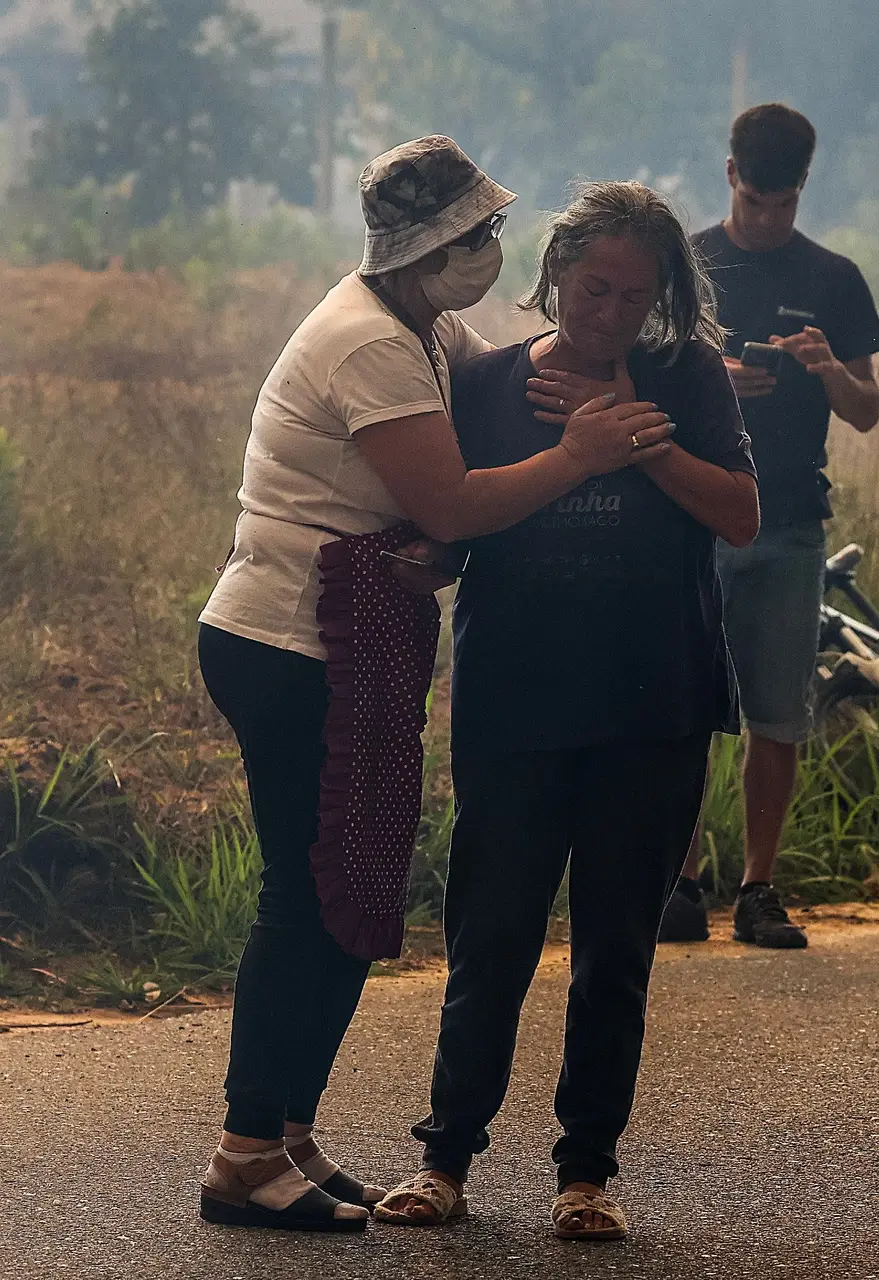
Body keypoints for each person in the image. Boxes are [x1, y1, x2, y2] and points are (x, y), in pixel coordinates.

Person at [192, 136, 662, 1234]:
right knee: (303, 896)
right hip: (289, 641)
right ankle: (244, 1150)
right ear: (426, 245)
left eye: (494, 231)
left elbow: (462, 451)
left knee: (349, 888)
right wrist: (580, 456)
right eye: (474, 235)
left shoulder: (423, 327)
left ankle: (289, 1133)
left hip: (341, 634)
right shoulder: (368, 344)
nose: (490, 251)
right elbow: (449, 503)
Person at [372, 182, 758, 1242]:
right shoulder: (486, 382)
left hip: (657, 705)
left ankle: (585, 1173)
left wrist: (639, 444)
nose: (610, 313)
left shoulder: (688, 378)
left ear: (663, 296)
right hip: (516, 702)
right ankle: (444, 1157)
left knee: (614, 949)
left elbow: (739, 512)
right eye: (594, 288)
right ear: (555, 278)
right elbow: (454, 520)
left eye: (636, 295)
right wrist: (421, 557)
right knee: (489, 936)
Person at [663, 103, 879, 949]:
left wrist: (830, 367)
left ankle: (759, 889)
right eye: (755, 201)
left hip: (791, 523)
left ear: (801, 191)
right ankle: (678, 883)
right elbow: (638, 382)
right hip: (695, 519)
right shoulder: (685, 263)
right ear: (729, 177)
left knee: (776, 714)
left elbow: (866, 411)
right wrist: (713, 377)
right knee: (686, 708)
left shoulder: (834, 278)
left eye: (782, 204)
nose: (765, 219)